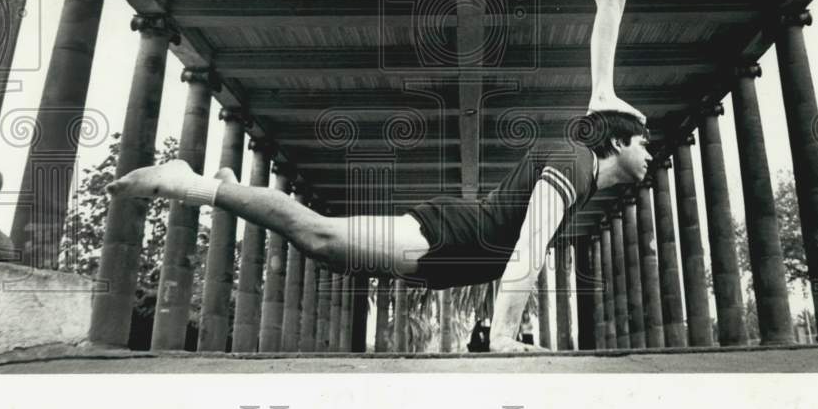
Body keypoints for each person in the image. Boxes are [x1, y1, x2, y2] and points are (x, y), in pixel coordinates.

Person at [106, 111, 651, 352]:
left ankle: (226, 186)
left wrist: (492, 319)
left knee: (328, 250)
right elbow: (526, 251)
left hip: (446, 258)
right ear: (620, 142)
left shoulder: (582, 180)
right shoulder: (576, 160)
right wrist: (504, 337)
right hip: (448, 238)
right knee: (319, 236)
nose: (650, 154)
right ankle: (195, 185)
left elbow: (511, 248)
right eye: (644, 144)